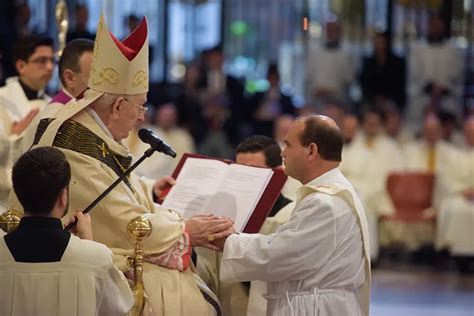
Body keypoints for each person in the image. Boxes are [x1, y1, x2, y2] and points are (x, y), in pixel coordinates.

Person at [8, 15, 233, 315]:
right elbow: (126, 223)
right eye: (140, 105)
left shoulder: (86, 123)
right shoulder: (76, 143)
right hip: (57, 260)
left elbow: (112, 180)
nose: (142, 116)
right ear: (116, 106)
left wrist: (149, 187)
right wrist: (186, 230)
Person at [215, 115, 371, 316]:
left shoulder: (324, 202)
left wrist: (227, 241)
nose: (282, 152)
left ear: (311, 151)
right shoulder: (330, 193)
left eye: (288, 145)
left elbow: (281, 255)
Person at [0, 146, 133, 315]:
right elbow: (119, 309)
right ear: (63, 197)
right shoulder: (95, 258)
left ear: (19, 194)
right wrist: (88, 243)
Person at [0, 35, 54, 208]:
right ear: (21, 66)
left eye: (52, 60)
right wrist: (15, 136)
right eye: (41, 61)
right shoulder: (2, 98)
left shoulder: (52, 103)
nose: (50, 67)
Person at [19, 39, 95, 156]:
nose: (103, 85)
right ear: (70, 78)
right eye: (95, 76)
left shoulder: (80, 111)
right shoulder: (55, 119)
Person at [407, 14, 464, 125]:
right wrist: (430, 88)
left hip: (447, 99)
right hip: (422, 97)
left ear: (444, 27)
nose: (436, 29)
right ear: (428, 26)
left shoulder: (453, 50)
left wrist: (442, 89)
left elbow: (457, 78)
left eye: (439, 25)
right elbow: (413, 76)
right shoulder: (417, 49)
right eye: (433, 25)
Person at [436, 116, 474, 272]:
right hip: (459, 195)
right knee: (457, 210)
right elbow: (445, 178)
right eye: (469, 132)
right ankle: (461, 259)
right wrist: (463, 191)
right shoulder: (452, 154)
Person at [306, 15, 355, 107]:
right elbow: (309, 75)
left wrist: (331, 90)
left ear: (339, 31)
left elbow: (349, 78)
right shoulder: (315, 51)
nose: (330, 32)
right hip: (318, 98)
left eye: (333, 29)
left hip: (337, 100)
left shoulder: (346, 53)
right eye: (328, 29)